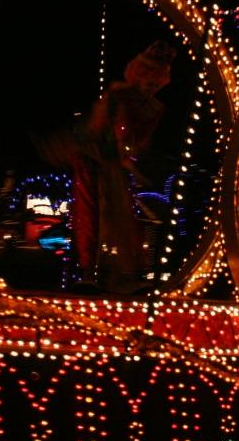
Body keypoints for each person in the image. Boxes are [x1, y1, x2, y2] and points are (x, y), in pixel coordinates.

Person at [68, 41, 175, 293]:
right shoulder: (117, 96)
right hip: (92, 157)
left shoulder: (154, 109)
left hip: (116, 164)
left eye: (155, 83)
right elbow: (104, 128)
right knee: (90, 213)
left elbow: (139, 140)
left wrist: (132, 160)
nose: (150, 87)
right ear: (137, 76)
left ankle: (125, 275)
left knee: (123, 218)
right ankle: (88, 273)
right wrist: (120, 152)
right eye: (147, 80)